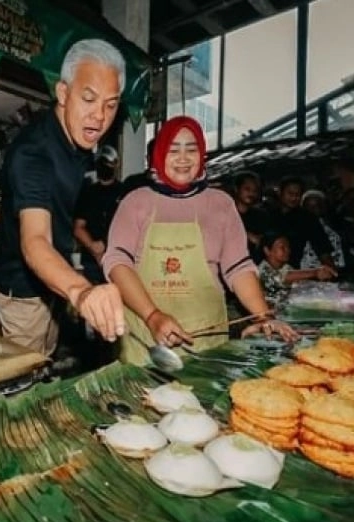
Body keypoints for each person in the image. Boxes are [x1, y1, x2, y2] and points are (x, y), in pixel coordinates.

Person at [101, 115, 299, 365]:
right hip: (147, 339)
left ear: (202, 155)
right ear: (159, 153)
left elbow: (238, 267)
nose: (183, 158)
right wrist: (152, 316)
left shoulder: (220, 204)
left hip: (206, 339)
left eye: (191, 149)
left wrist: (263, 316)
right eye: (173, 149)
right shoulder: (136, 202)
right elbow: (117, 263)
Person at [0, 38, 128, 357]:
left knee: (45, 365)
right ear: (63, 93)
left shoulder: (79, 142)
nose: (99, 117)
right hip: (22, 289)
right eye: (89, 99)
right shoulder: (33, 152)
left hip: (55, 279)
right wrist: (81, 292)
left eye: (111, 104)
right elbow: (35, 240)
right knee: (22, 388)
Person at [73, 144, 124, 283]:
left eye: (108, 163)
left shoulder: (124, 192)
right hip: (91, 263)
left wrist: (105, 244)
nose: (105, 166)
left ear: (116, 165)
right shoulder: (87, 192)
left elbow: (127, 226)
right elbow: (78, 227)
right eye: (102, 162)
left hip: (118, 259)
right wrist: (94, 248)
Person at [269, 177, 337, 270]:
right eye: (290, 193)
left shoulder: (307, 218)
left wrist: (331, 270)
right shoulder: (266, 214)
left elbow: (322, 248)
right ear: (280, 193)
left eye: (298, 194)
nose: (294, 197)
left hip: (292, 270)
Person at [258, 231, 337, 309]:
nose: (288, 250)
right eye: (282, 247)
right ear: (267, 250)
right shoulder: (262, 270)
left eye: (288, 247)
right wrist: (315, 272)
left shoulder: (285, 267)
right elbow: (281, 278)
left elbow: (297, 282)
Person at [299, 189, 345, 272]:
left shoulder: (335, 225)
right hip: (307, 272)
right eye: (309, 206)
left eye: (317, 206)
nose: (312, 210)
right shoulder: (298, 226)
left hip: (332, 270)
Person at [232, 171, 272, 264]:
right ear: (236, 189)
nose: (251, 193)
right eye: (247, 189)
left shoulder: (262, 216)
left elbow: (268, 240)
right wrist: (245, 234)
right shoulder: (224, 213)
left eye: (255, 190)